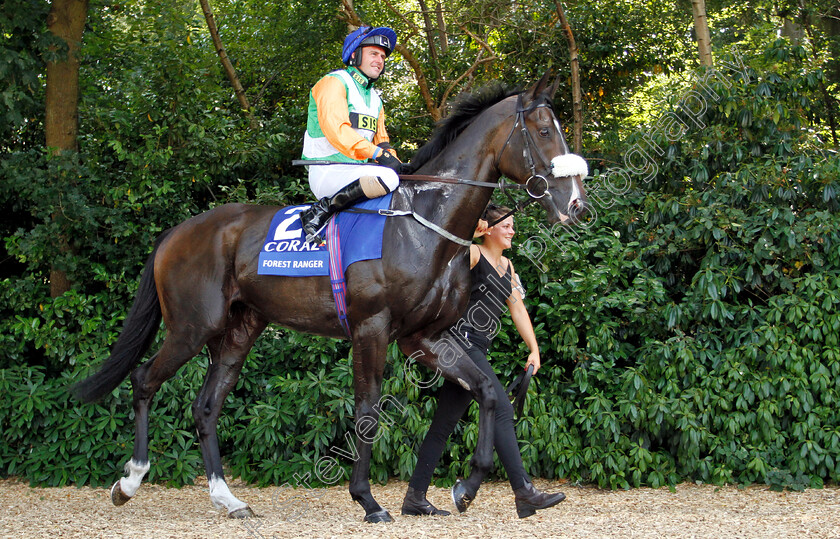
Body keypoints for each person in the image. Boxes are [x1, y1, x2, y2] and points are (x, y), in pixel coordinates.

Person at [401, 204, 566, 519]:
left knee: (444, 423)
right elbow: (443, 253)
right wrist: (469, 233)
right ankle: (524, 492)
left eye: (513, 226)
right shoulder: (474, 254)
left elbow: (517, 308)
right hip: (458, 346)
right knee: (501, 407)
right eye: (506, 226)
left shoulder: (509, 266)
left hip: (477, 347)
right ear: (488, 228)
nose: (512, 231)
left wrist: (534, 348)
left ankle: (414, 498)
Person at [299, 25, 402, 243]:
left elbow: (382, 142)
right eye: (374, 53)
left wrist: (395, 161)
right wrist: (378, 156)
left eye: (383, 56)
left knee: (405, 180)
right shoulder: (333, 82)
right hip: (327, 170)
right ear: (355, 55)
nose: (380, 60)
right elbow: (337, 131)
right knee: (389, 178)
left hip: (358, 173)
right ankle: (321, 210)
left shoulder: (376, 100)